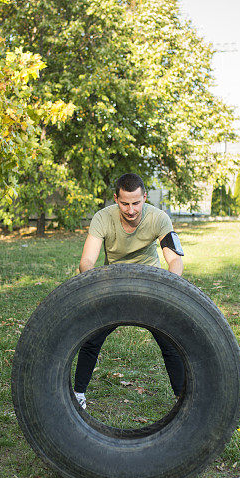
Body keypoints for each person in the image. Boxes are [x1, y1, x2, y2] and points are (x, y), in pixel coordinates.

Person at [74, 173, 186, 409]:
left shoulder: (159, 218)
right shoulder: (102, 218)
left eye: (136, 203)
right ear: (116, 198)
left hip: (151, 286)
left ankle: (183, 398)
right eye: (125, 203)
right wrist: (96, 286)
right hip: (114, 284)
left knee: (169, 343)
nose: (131, 209)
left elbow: (175, 261)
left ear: (145, 197)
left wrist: (169, 287)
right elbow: (86, 261)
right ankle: (78, 395)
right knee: (92, 339)